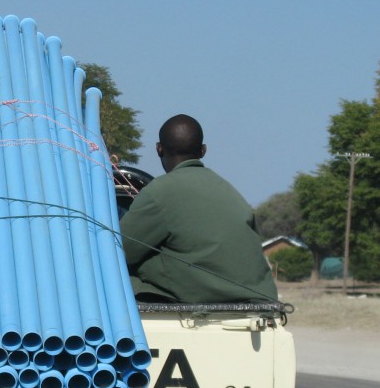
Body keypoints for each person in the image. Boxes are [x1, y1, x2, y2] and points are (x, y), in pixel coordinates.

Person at [118, 114, 278, 303]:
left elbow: (118, 251)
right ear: (203, 151)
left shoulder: (159, 192)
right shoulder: (229, 191)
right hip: (258, 301)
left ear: (159, 149)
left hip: (202, 301)